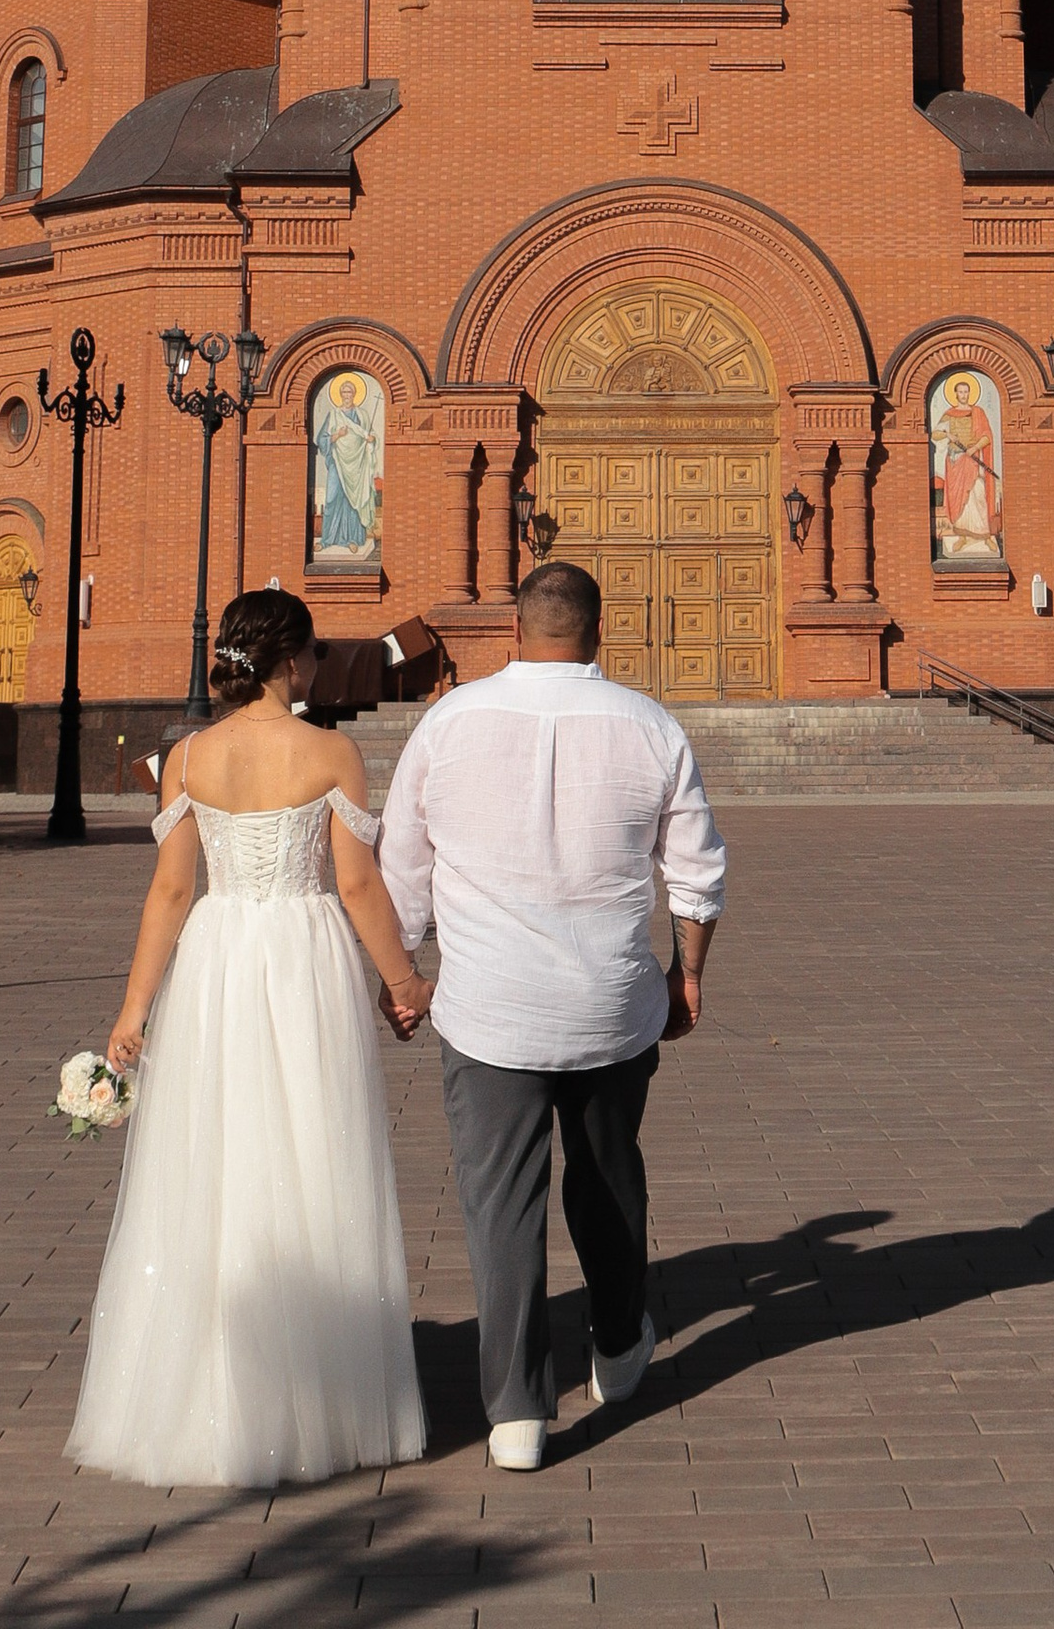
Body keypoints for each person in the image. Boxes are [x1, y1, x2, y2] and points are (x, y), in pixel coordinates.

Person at [67, 588, 431, 1493]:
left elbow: (169, 894)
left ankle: (198, 1397)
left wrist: (132, 1011)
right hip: (301, 959)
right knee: (309, 1152)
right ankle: (319, 1397)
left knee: (213, 1159)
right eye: (310, 653)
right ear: (293, 661)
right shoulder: (331, 752)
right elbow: (356, 888)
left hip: (218, 959)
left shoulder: (185, 758)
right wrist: (403, 983)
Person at [378, 557, 727, 1472]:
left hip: (487, 1006)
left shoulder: (448, 722)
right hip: (612, 1004)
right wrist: (687, 974)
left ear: (513, 635)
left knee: (501, 1205)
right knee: (610, 1179)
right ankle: (616, 1341)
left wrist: (401, 973)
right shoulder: (650, 725)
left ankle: (517, 1414)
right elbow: (695, 872)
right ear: (599, 634)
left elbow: (403, 864)